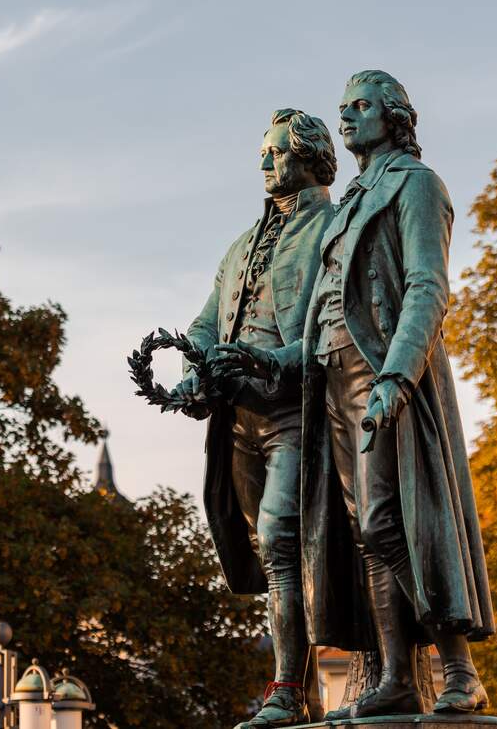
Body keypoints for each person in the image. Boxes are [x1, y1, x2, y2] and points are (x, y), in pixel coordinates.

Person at [216, 71, 494, 718]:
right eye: (343, 108)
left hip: (378, 371)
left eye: (361, 107)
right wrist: (273, 359)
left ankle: (458, 668)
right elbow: (321, 308)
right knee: (362, 533)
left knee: (388, 521)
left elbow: (427, 285)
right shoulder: (350, 204)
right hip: (331, 379)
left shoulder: (417, 185)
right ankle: (395, 674)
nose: (347, 118)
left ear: (395, 117)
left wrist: (399, 375)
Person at [176, 108, 337, 727]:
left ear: (309, 156)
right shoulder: (242, 243)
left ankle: (288, 691)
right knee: (271, 560)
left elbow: (335, 330)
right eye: (264, 152)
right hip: (237, 422)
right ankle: (301, 689)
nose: (263, 162)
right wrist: (194, 370)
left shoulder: (333, 229)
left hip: (296, 415)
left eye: (274, 152)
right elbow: (204, 321)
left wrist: (271, 361)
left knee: (280, 540)